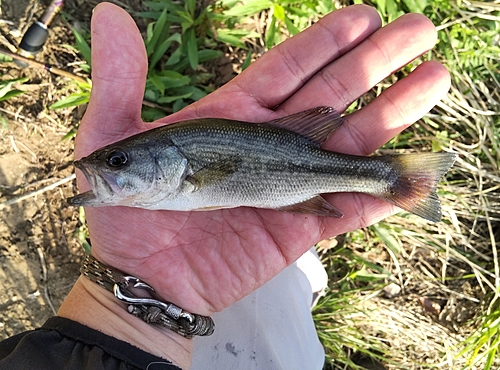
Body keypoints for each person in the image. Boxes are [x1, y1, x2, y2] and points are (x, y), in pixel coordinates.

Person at [0, 2, 450, 370]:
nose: (106, 169)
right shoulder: (171, 183)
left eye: (118, 161)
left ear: (171, 164)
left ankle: (388, 180)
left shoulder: (184, 178)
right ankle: (323, 256)